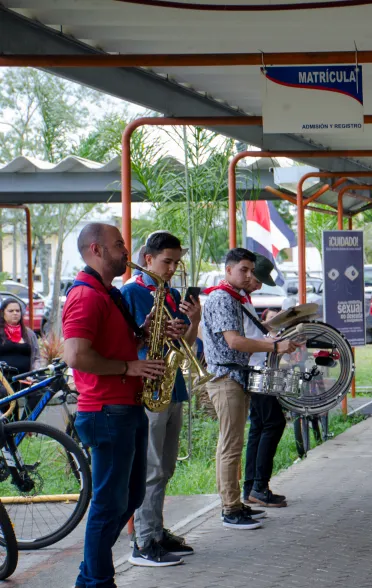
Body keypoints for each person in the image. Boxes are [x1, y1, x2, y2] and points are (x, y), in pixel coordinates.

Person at [62, 223, 180, 588]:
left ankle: (91, 573)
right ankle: (96, 580)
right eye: (119, 245)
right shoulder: (86, 296)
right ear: (96, 250)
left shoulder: (107, 292)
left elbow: (113, 342)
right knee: (107, 504)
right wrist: (129, 367)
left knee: (131, 495)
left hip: (126, 406)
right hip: (105, 411)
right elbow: (76, 356)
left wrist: (144, 333)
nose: (126, 251)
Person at [201, 248, 300, 530]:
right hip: (226, 377)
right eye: (243, 270)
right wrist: (274, 345)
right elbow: (234, 341)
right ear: (228, 270)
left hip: (237, 377)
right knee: (230, 446)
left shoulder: (233, 297)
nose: (248, 275)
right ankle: (230, 508)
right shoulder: (222, 298)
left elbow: (243, 336)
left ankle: (236, 503)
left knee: (234, 443)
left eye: (250, 270)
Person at [122, 231, 201, 567]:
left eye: (175, 263)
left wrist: (192, 320)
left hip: (172, 384)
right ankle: (143, 540)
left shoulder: (171, 293)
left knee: (165, 465)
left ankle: (156, 530)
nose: (171, 269)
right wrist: (147, 330)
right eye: (167, 262)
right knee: (151, 467)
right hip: (149, 387)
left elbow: (188, 344)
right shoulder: (131, 292)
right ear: (148, 259)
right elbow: (125, 341)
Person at [242, 256, 288, 508]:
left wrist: (273, 326)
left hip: (258, 366)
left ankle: (252, 487)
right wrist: (275, 344)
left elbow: (253, 330)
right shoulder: (233, 298)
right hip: (255, 368)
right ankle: (258, 486)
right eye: (255, 279)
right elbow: (243, 340)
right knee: (273, 422)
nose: (257, 285)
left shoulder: (245, 300)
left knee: (260, 425)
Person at [0, 298, 43, 413]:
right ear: (3, 312)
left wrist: (34, 373)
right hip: (4, 380)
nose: (15, 313)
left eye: (17, 311)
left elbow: (37, 357)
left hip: (25, 377)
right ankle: (11, 428)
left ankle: (26, 423)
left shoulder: (28, 334)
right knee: (6, 397)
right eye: (11, 311)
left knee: (39, 392)